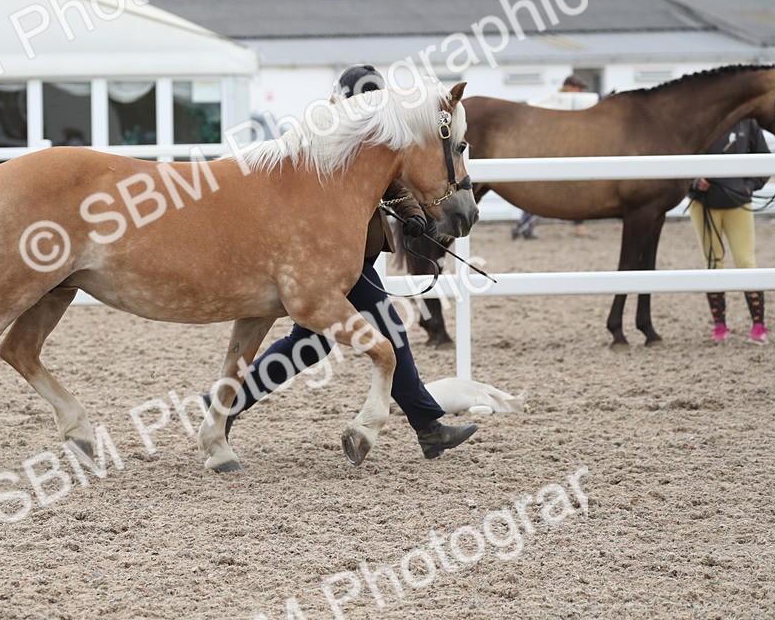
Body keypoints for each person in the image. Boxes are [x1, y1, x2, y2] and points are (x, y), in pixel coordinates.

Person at [205, 64, 479, 460]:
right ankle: (428, 427)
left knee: (309, 344)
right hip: (328, 258)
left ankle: (225, 403)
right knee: (387, 333)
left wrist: (413, 212)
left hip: (351, 255)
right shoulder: (332, 137)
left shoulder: (374, 137)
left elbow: (392, 181)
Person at [688, 119, 771, 344]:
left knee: (746, 263)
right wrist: (693, 182)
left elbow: (764, 157)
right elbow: (679, 154)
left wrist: (748, 186)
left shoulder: (748, 123)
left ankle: (758, 326)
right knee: (713, 263)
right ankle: (720, 327)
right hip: (704, 203)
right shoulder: (698, 117)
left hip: (738, 203)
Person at [512, 74, 598, 240]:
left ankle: (525, 225)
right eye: (578, 88)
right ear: (570, 88)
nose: (580, 92)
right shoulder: (558, 102)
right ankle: (524, 225)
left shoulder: (565, 102)